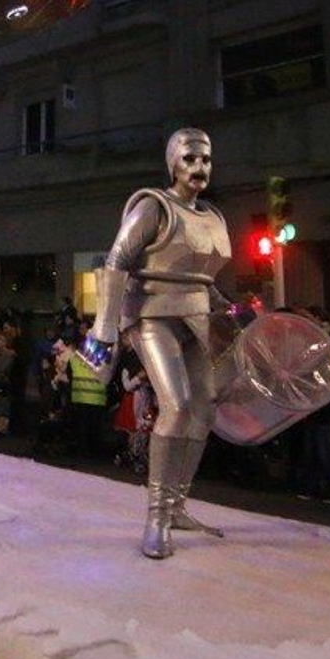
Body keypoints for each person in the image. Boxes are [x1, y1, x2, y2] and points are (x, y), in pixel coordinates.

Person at [77, 127, 233, 559]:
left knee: (205, 407)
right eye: (189, 158)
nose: (199, 167)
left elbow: (203, 279)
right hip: (151, 313)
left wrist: (230, 310)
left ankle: (178, 506)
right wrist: (105, 326)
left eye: (205, 159)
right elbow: (117, 260)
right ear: (172, 163)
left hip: (195, 316)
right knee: (176, 405)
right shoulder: (153, 206)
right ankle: (157, 518)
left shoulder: (213, 216)